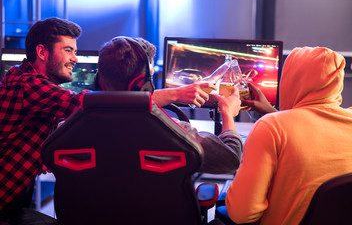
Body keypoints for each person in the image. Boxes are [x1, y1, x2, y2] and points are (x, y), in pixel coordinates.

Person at [225, 47, 352, 224]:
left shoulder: (270, 127)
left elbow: (241, 214)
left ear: (290, 80)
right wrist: (272, 112)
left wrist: (273, 117)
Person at [95, 36, 243, 174]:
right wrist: (228, 114)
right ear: (143, 85)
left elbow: (122, 100)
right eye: (150, 77)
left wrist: (176, 93)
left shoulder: (79, 119)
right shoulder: (171, 131)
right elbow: (231, 159)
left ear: (99, 80)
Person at [0, 17, 87, 224]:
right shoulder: (28, 84)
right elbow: (81, 104)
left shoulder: (20, 76)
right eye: (68, 50)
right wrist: (173, 96)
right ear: (42, 52)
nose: (75, 58)